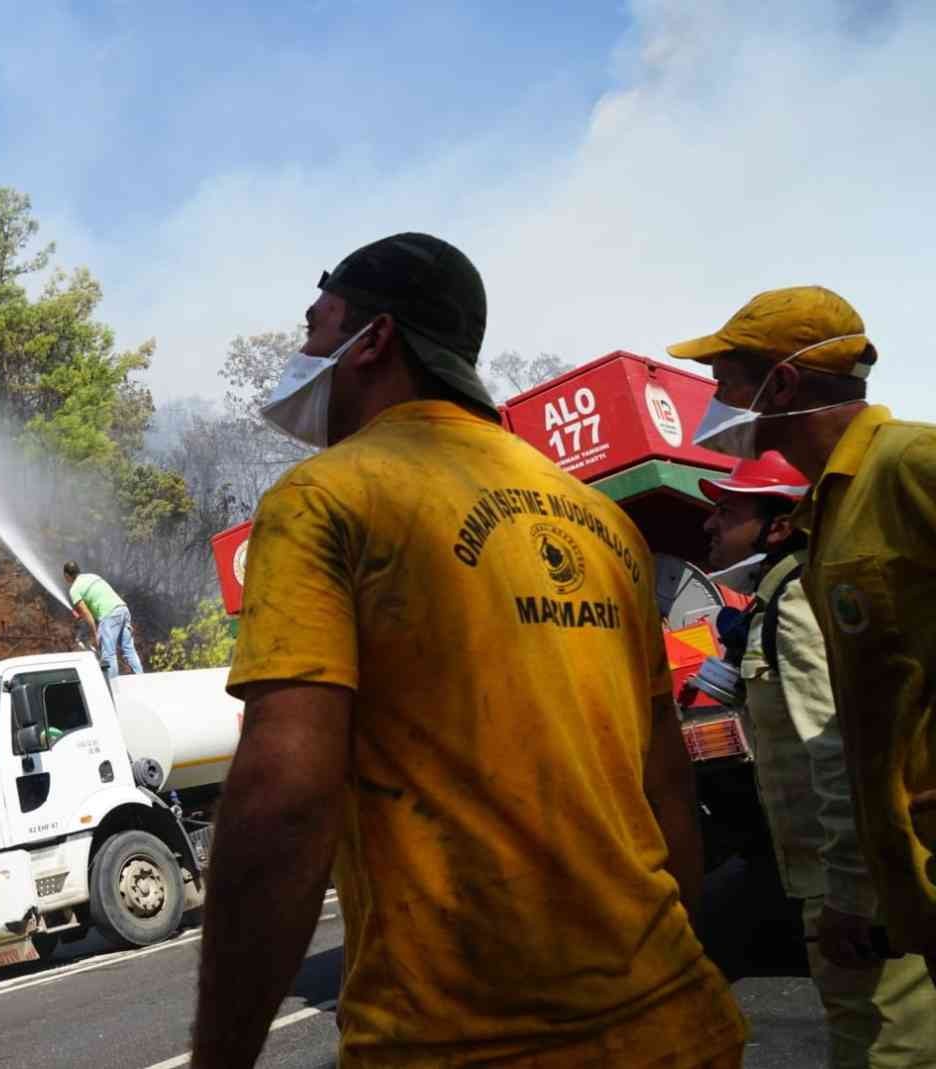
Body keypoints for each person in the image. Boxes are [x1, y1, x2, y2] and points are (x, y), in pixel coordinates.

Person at [191, 232, 743, 1069]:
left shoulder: (325, 497)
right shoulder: (600, 522)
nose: (300, 349)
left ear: (372, 339)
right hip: (680, 1023)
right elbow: (665, 786)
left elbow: (287, 795)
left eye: (316, 325)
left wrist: (220, 1058)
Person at [668, 286, 936, 981]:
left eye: (724, 381)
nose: (713, 399)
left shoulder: (912, 467)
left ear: (779, 385)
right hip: (906, 879)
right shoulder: (832, 517)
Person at [692, 452, 936, 1065]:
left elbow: (838, 756)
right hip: (833, 872)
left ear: (778, 526)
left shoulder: (799, 602)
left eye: (728, 509)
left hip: (849, 881)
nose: (709, 525)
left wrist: (847, 894)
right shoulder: (777, 601)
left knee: (882, 1046)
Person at [63, 562, 142, 684]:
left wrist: (95, 633)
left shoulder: (74, 589)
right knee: (129, 649)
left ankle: (114, 688)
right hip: (122, 609)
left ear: (67, 575)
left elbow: (87, 614)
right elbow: (98, 598)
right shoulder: (92, 576)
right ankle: (141, 679)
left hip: (109, 615)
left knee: (109, 654)